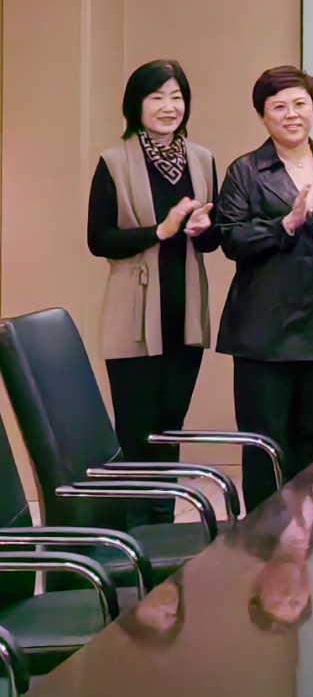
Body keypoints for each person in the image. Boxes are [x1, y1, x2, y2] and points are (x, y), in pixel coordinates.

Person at [217, 66, 313, 510]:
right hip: (264, 327)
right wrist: (283, 225)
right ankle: (266, 539)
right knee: (266, 443)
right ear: (262, 116)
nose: (291, 114)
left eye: (300, 104)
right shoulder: (245, 170)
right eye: (279, 107)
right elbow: (231, 238)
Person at [87, 60, 220, 519]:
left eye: (176, 97)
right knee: (137, 429)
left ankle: (162, 520)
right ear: (136, 105)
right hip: (133, 314)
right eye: (157, 97)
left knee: (170, 427)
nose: (169, 107)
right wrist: (158, 232)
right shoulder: (114, 161)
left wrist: (204, 228)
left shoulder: (202, 159)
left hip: (185, 312)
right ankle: (133, 526)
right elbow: (98, 240)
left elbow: (213, 240)